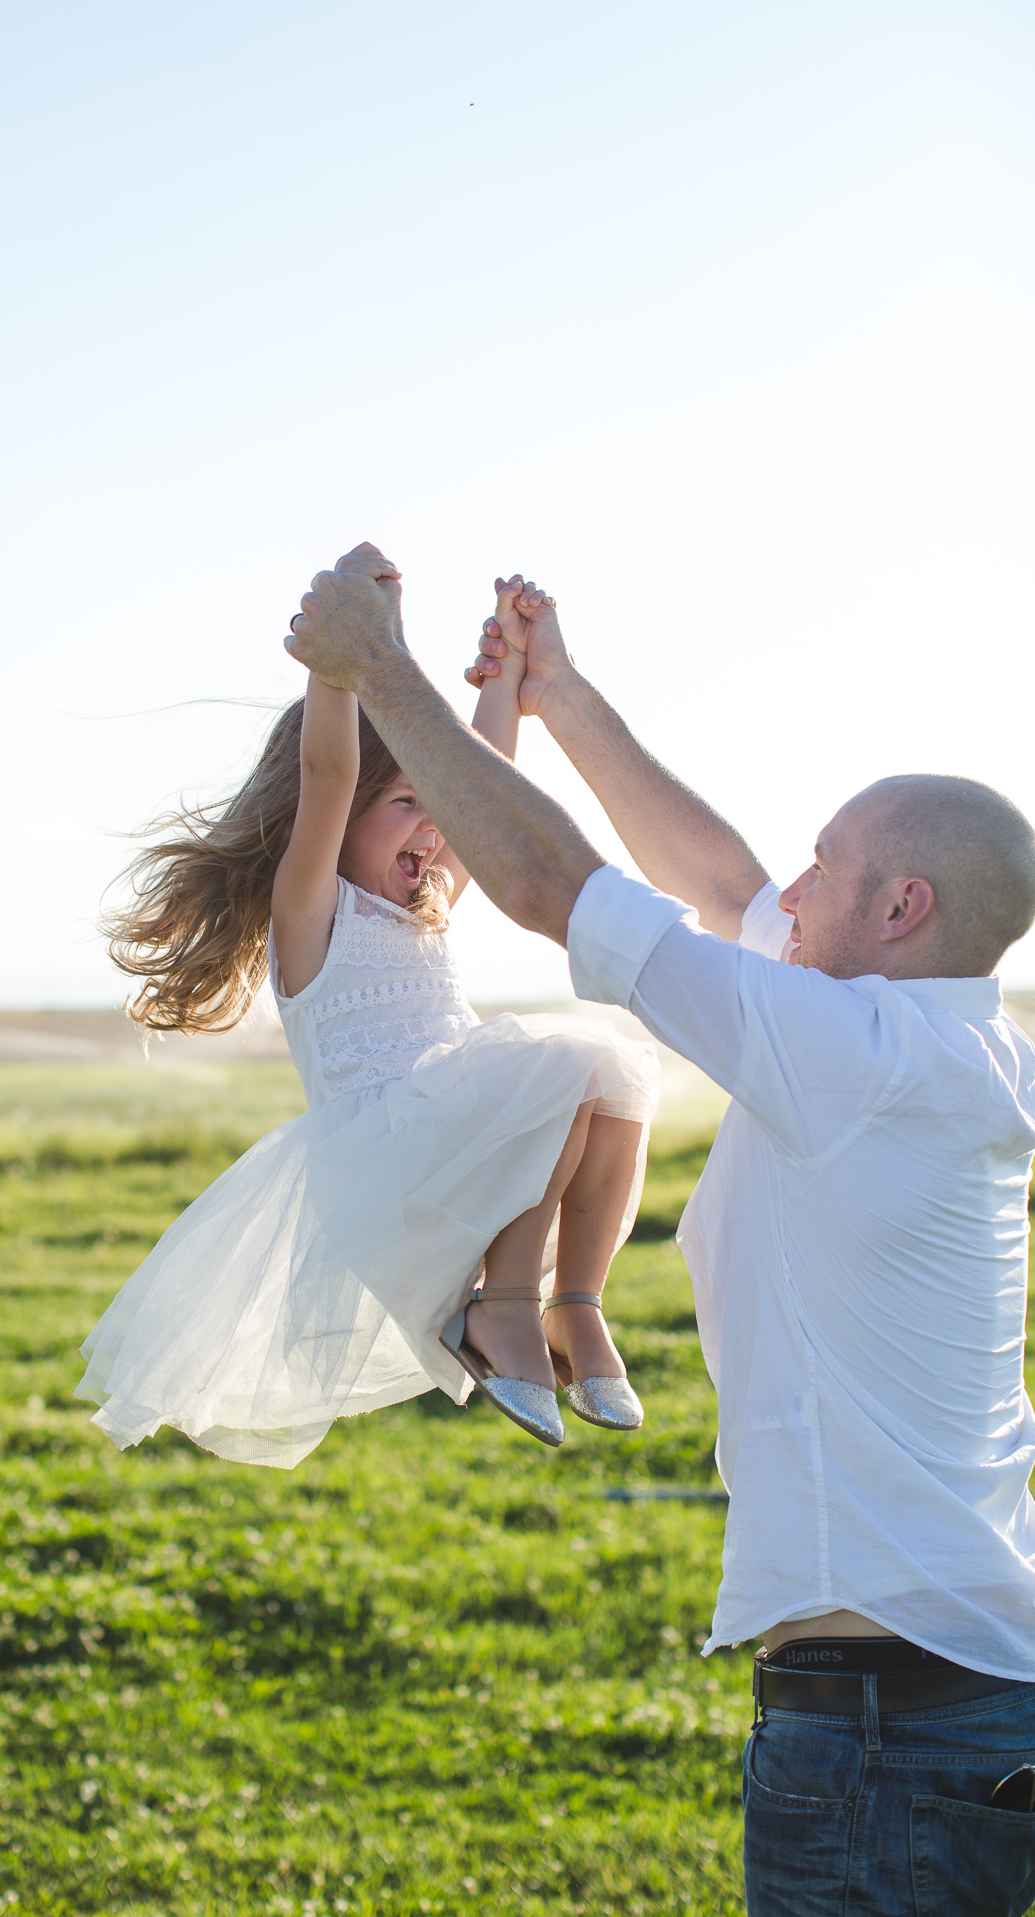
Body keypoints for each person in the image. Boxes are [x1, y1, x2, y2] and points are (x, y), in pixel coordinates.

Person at [287, 544, 1035, 1917]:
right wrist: (562, 697)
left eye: (823, 867)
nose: (784, 893)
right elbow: (714, 879)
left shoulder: (848, 1054)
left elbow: (550, 885)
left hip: (887, 1728)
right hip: (954, 1693)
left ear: (900, 910)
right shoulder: (946, 1044)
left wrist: (376, 669)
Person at [76, 557, 658, 1468]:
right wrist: (344, 656)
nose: (433, 830)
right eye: (402, 805)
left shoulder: (425, 902)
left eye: (436, 813)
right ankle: (497, 1311)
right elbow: (326, 769)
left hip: (442, 1144)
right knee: (571, 1062)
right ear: (347, 816)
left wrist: (502, 677)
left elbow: (482, 780)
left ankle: (570, 1307)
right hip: (384, 1162)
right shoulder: (310, 910)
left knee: (614, 1080)